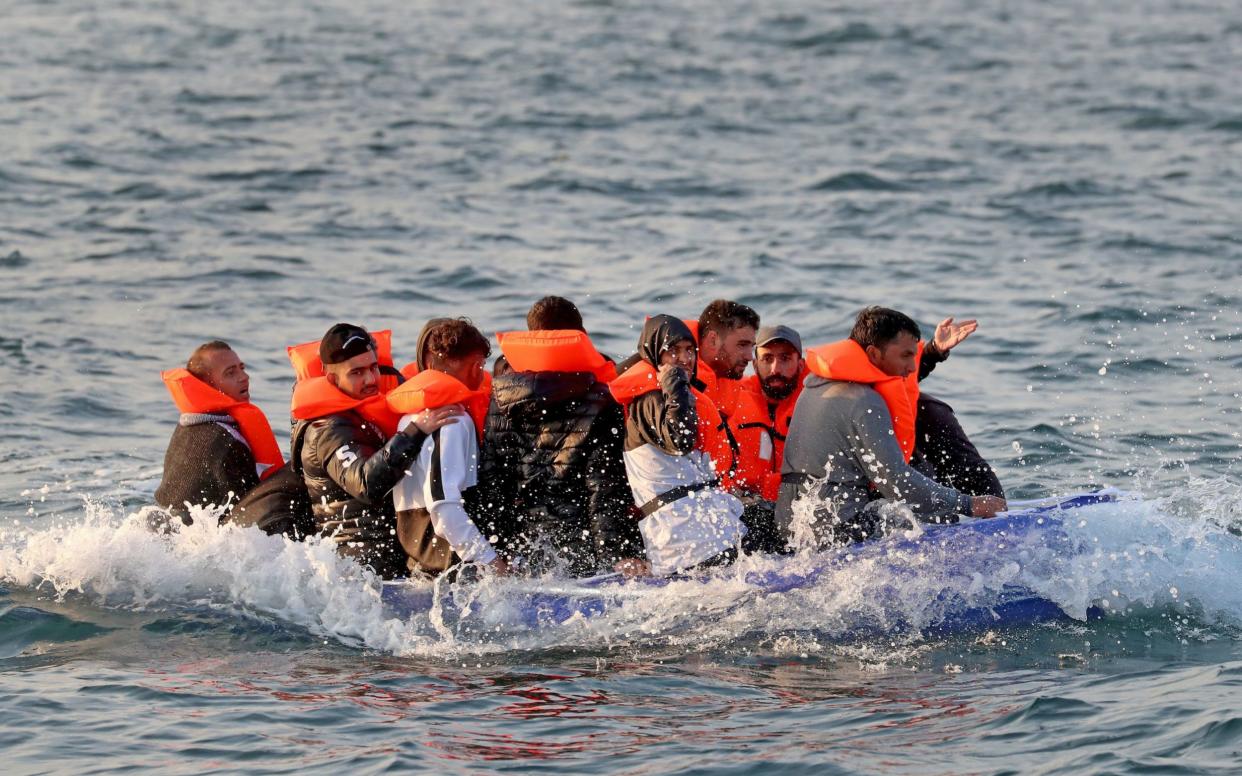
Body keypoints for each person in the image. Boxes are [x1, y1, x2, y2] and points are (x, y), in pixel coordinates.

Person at [776, 307, 1007, 549]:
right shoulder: (863, 401)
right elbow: (898, 482)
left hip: (793, 523)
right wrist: (968, 504)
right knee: (937, 517)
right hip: (836, 530)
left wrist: (934, 351)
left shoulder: (816, 386)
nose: (911, 366)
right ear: (874, 354)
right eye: (906, 356)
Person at [475, 298, 638, 576]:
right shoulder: (601, 399)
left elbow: (494, 481)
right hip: (581, 546)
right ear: (580, 337)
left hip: (525, 545)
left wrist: (498, 552)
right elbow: (603, 489)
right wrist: (615, 557)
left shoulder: (502, 396)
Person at [291, 323, 458, 578]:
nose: (370, 379)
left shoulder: (363, 413)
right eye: (357, 372)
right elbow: (366, 484)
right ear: (332, 379)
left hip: (388, 557)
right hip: (355, 567)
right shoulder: (327, 429)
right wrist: (415, 431)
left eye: (373, 368)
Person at [609, 315, 747, 576]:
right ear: (654, 355)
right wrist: (674, 383)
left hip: (704, 532)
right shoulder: (648, 400)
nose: (685, 359)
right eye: (673, 351)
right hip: (683, 543)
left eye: (689, 350)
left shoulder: (675, 396)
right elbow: (680, 439)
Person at [387, 318, 505, 576]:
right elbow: (443, 504)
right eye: (478, 364)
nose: (480, 372)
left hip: (419, 560)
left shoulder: (409, 419)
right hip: (450, 566)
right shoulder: (451, 421)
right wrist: (492, 563)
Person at [155, 341, 284, 523]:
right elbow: (250, 513)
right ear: (207, 386)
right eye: (230, 373)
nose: (244, 377)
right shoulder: (227, 442)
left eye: (242, 368)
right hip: (194, 537)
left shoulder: (187, 426)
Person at [740, 325, 810, 502]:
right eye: (767, 359)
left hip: (801, 504)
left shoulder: (818, 403)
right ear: (755, 365)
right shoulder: (734, 403)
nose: (775, 369)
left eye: (785, 358)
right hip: (751, 504)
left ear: (801, 365)